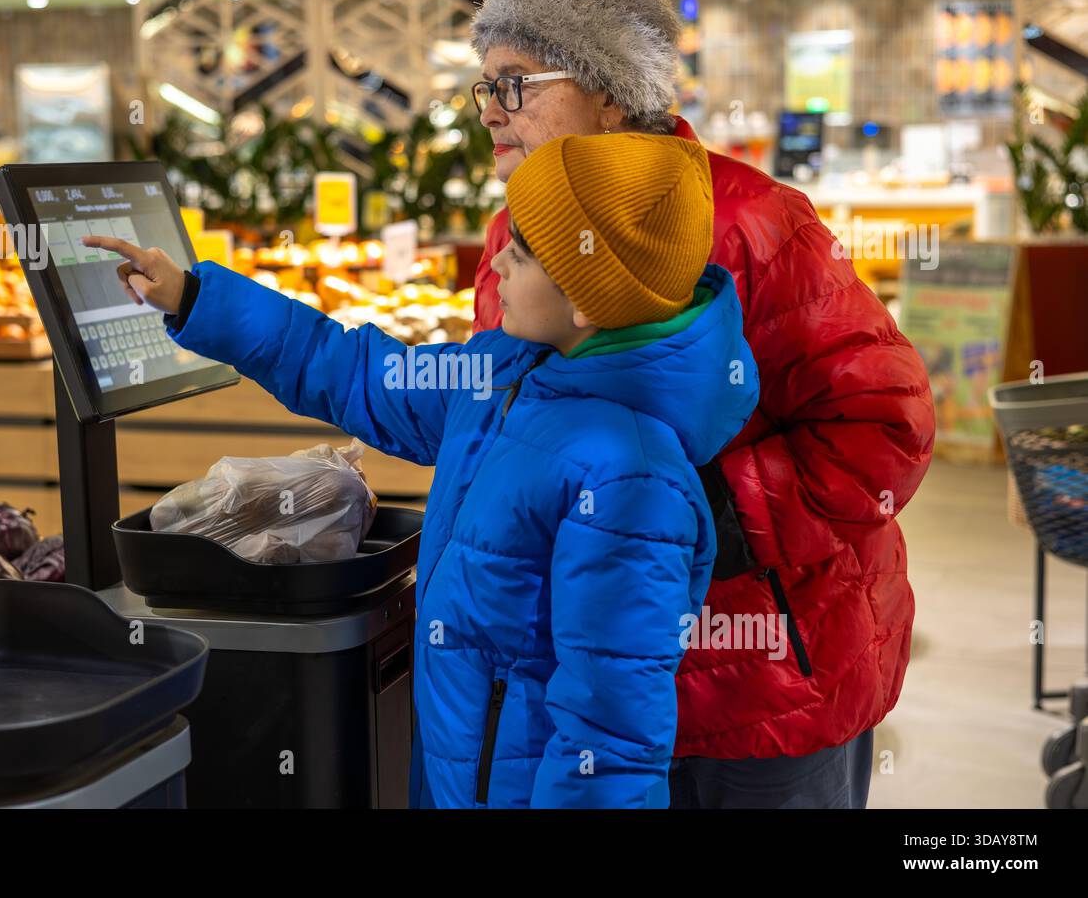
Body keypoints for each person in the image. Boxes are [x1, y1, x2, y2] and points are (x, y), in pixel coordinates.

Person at [82, 130, 758, 807]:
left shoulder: (631, 480)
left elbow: (609, 741)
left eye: (517, 257)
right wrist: (197, 302)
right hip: (455, 767)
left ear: (586, 298)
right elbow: (354, 371)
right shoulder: (500, 371)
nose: (494, 270)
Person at [468, 0, 935, 807]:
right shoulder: (512, 239)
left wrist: (717, 516)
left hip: (765, 693)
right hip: (599, 694)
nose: (492, 113)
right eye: (484, 87)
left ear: (610, 89)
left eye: (517, 84)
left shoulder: (754, 224)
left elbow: (885, 425)